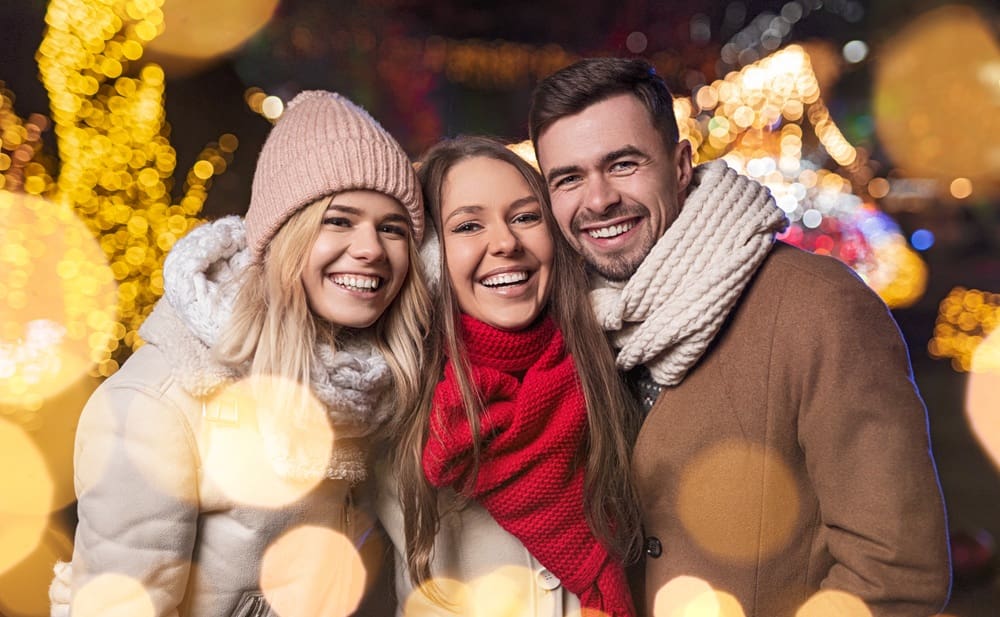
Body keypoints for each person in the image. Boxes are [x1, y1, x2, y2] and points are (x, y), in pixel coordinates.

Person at [528, 58, 951, 617]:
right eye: (569, 178)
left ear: (681, 165)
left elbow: (895, 574)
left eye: (623, 164)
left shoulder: (820, 306)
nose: (598, 199)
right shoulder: (570, 324)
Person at [49, 90, 431, 616]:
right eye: (339, 220)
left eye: (392, 228)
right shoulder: (158, 404)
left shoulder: (374, 387)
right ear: (282, 234)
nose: (370, 249)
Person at [376, 135, 643, 616]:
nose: (505, 243)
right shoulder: (389, 400)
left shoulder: (615, 365)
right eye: (468, 226)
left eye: (525, 217)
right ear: (430, 257)